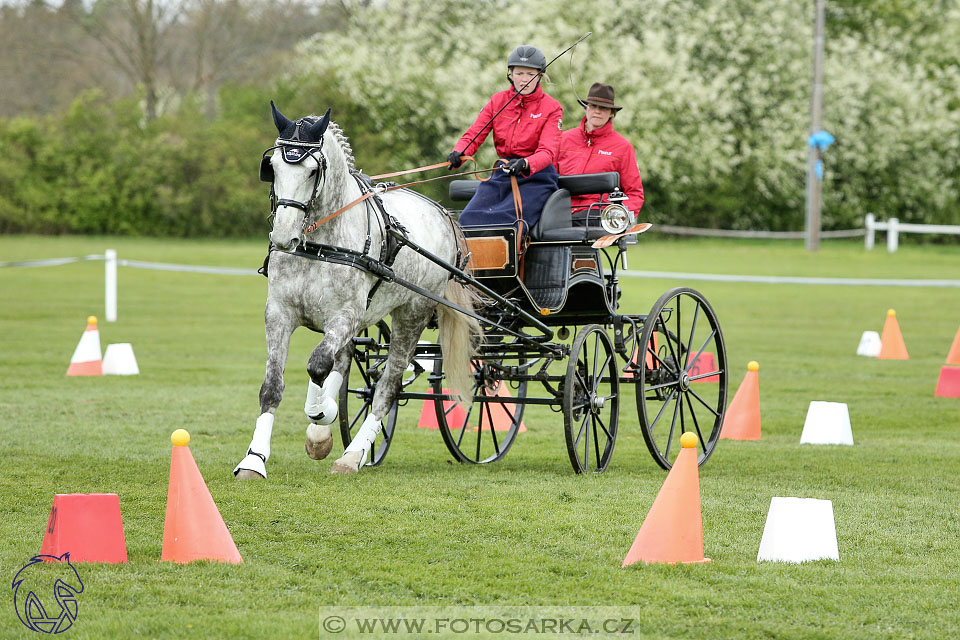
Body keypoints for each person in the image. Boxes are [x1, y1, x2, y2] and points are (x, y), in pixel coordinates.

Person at [447, 45, 563, 234]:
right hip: (503, 174)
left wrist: (525, 163)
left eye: (530, 74)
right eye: (519, 73)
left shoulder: (552, 108)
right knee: (468, 220)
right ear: (510, 74)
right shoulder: (497, 101)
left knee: (508, 226)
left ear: (540, 75)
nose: (524, 79)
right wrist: (460, 152)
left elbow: (548, 152)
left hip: (536, 178)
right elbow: (474, 134)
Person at [556, 82, 644, 221]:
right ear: (586, 109)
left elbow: (634, 194)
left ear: (611, 113)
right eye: (593, 106)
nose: (597, 111)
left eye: (603, 108)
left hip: (598, 215)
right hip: (559, 212)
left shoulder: (623, 147)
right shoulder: (563, 140)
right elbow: (548, 180)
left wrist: (615, 216)